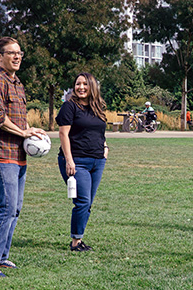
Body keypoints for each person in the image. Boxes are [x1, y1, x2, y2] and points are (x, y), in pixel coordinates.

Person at [0, 37, 46, 277]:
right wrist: (23, 132)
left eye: (20, 53)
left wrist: (31, 133)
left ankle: (2, 257)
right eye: (11, 53)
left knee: (15, 209)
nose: (17, 57)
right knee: (6, 207)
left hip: (18, 155)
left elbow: (19, 118)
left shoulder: (17, 83)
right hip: (1, 153)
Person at [56, 72, 109, 252]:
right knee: (83, 202)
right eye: (78, 84)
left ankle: (79, 239)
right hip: (77, 161)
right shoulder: (69, 107)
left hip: (97, 161)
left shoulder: (98, 107)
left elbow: (99, 132)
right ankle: (76, 242)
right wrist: (69, 161)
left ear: (92, 86)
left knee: (88, 203)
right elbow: (63, 134)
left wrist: (106, 148)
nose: (81, 87)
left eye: (85, 84)